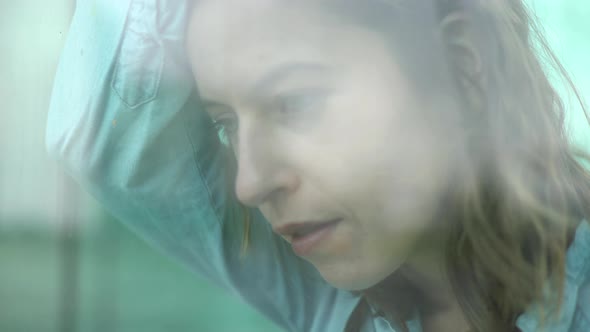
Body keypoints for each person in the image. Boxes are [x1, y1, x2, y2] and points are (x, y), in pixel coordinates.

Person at [46, 0, 590, 331]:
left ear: (463, 69)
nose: (250, 183)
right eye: (225, 125)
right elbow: (108, 146)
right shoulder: (340, 304)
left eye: (295, 102)